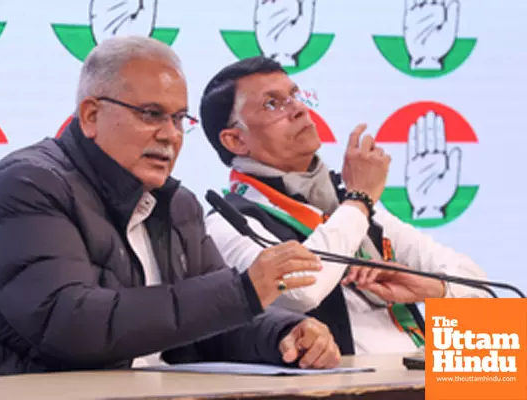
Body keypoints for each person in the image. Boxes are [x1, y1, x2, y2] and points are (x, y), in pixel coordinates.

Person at [0, 38, 342, 380]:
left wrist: (285, 333)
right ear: (91, 115)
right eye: (151, 114)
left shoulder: (178, 205)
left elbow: (211, 325)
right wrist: (241, 290)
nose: (170, 135)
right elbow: (70, 324)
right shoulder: (27, 184)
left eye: (179, 119)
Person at [199, 56, 488, 356]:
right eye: (272, 104)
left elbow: (484, 288)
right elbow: (301, 291)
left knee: (500, 359)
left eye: (295, 96)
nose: (298, 109)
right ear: (235, 140)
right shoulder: (228, 222)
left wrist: (435, 290)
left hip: (425, 377)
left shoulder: (347, 204)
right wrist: (360, 199)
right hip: (351, 387)